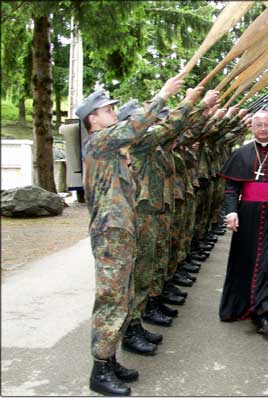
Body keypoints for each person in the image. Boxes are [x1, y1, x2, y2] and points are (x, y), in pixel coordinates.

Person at [76, 75, 190, 396]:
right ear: (92, 119)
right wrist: (164, 94)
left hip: (122, 230)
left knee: (123, 296)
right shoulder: (99, 141)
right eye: (108, 110)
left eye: (113, 108)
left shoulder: (114, 150)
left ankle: (110, 359)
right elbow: (135, 126)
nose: (113, 112)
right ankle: (99, 369)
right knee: (111, 300)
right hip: (111, 234)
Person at [218, 110, 268, 334]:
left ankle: (266, 312)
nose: (263, 128)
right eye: (259, 125)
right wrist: (231, 212)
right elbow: (231, 189)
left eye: (267, 125)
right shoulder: (241, 153)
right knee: (246, 260)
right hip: (248, 213)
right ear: (251, 128)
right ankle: (240, 306)